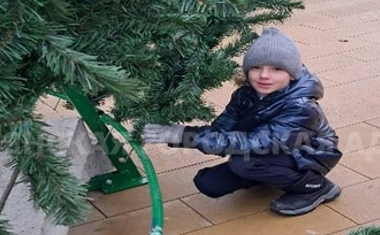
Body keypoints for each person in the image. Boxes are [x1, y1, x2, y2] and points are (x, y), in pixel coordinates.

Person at [141, 27, 343, 216]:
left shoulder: (301, 106)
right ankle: (265, 173)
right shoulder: (246, 93)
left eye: (276, 69)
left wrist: (186, 135)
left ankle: (316, 187)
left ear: (291, 74)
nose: (264, 75)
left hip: (310, 153)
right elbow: (221, 129)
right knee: (209, 183)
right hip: (272, 148)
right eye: (256, 67)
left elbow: (261, 142)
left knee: (244, 164)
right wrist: (177, 134)